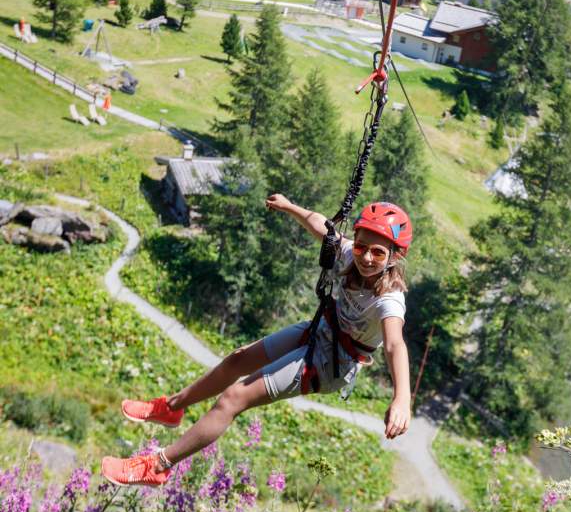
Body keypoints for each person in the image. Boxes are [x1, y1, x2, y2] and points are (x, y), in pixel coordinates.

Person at [101, 196, 414, 487]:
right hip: (320, 331)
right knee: (237, 359)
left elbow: (394, 346)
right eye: (361, 248)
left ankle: (157, 467)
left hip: (330, 363)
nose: (367, 258)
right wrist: (290, 207)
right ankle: (171, 408)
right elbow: (322, 226)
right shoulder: (350, 255)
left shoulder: (389, 299)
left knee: (233, 398)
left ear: (395, 256)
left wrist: (401, 398)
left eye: (378, 253)